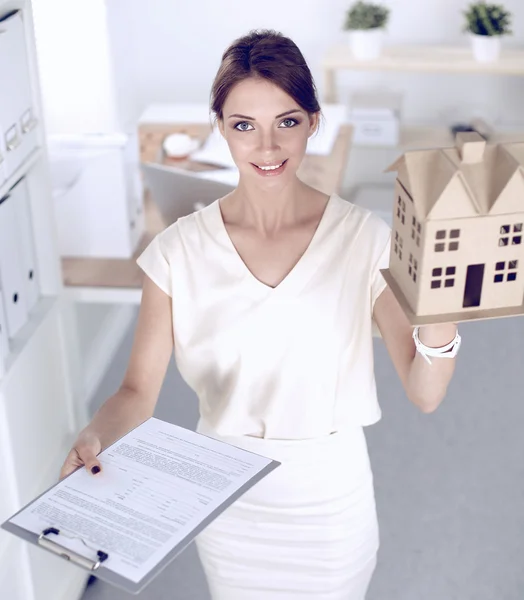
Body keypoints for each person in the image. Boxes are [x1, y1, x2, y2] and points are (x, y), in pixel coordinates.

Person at [60, 29, 460, 600]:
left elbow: (425, 392)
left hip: (329, 506)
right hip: (226, 502)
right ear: (220, 126)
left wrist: (442, 317)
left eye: (287, 122)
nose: (267, 147)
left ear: (313, 122)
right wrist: (96, 436)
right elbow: (135, 391)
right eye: (245, 125)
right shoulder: (177, 251)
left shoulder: (367, 241)